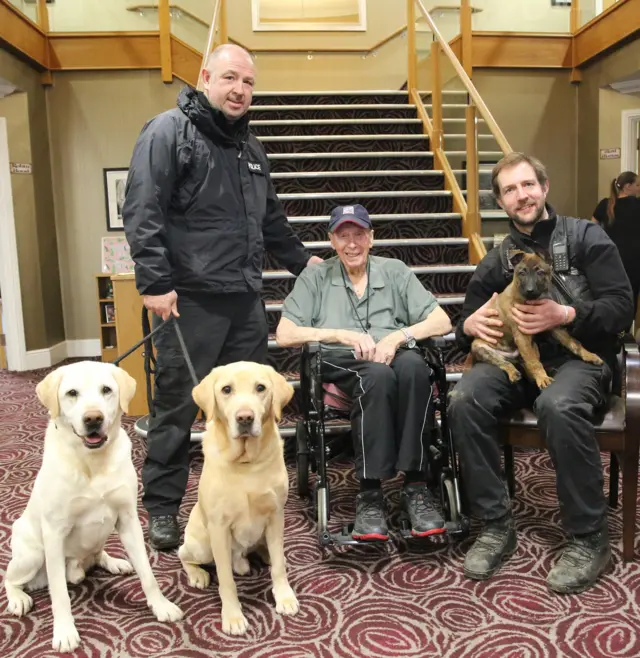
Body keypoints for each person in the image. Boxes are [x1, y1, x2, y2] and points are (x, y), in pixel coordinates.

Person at [122, 44, 321, 551]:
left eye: (248, 83)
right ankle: (163, 507)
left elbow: (270, 219)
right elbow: (142, 208)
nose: (239, 90)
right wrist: (154, 282)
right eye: (230, 78)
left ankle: (241, 500)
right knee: (175, 409)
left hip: (245, 302)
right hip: (189, 300)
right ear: (205, 77)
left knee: (247, 410)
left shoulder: (250, 148)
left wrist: (304, 263)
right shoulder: (167, 131)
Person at [448, 152, 633, 594]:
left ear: (544, 188)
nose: (521, 195)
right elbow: (465, 323)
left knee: (558, 403)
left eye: (527, 185)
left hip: (578, 361)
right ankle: (495, 524)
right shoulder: (499, 260)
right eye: (509, 190)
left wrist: (566, 312)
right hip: (515, 362)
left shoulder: (587, 237)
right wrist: (468, 324)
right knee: (464, 400)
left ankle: (588, 537)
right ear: (501, 201)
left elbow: (622, 306)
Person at [275, 204, 452, 541]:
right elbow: (285, 334)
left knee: (416, 368)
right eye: (344, 236)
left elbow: (441, 320)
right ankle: (370, 493)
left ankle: (415, 486)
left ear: (372, 238)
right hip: (338, 357)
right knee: (375, 376)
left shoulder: (395, 270)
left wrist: (398, 337)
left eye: (359, 235)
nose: (352, 244)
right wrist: (339, 334)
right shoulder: (315, 277)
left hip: (393, 351)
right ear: (332, 241)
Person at [592, 171, 640, 318]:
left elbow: (592, 229)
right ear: (627, 186)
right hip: (634, 259)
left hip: (610, 258)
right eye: (638, 185)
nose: (639, 188)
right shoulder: (637, 204)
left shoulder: (604, 204)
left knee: (610, 296)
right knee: (630, 297)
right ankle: (625, 333)